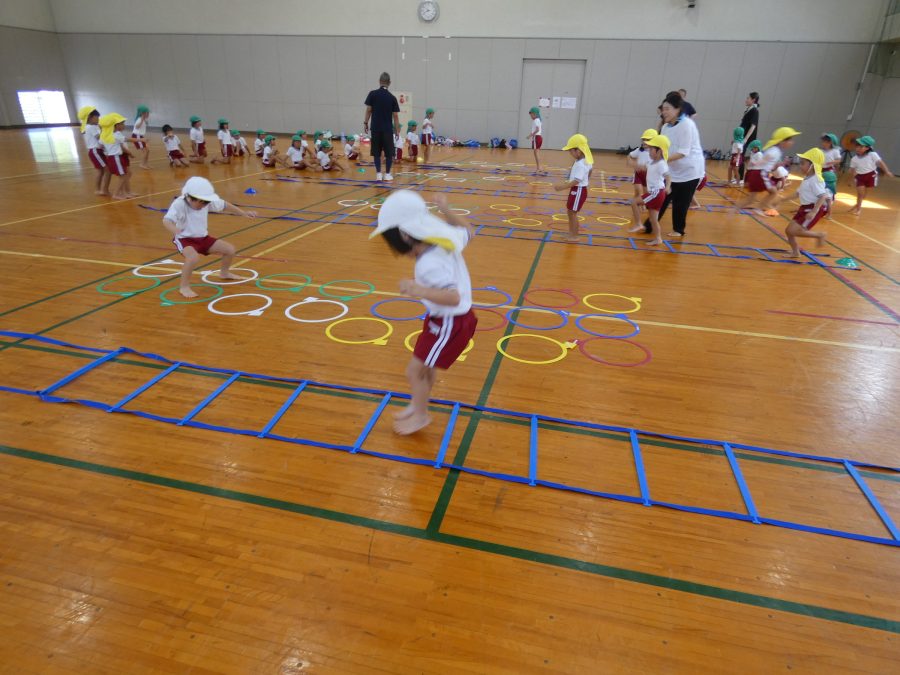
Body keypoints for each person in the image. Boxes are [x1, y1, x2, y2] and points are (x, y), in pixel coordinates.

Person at [369, 190, 477, 435]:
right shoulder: (445, 237)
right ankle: (418, 406)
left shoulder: (428, 264)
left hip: (451, 322)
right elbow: (469, 230)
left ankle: (420, 415)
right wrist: (446, 210)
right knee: (425, 368)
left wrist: (418, 289)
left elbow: (453, 297)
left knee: (415, 371)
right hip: (445, 319)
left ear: (405, 236)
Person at [162, 176, 257, 299]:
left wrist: (243, 213)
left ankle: (224, 273)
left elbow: (224, 205)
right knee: (193, 258)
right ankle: (184, 287)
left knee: (230, 250)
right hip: (185, 239)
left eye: (206, 203)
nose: (204, 205)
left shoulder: (204, 202)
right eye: (201, 202)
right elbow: (166, 220)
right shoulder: (179, 204)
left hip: (203, 238)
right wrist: (174, 229)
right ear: (190, 197)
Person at [642, 92, 705, 239]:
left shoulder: (687, 124)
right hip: (673, 169)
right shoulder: (665, 127)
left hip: (690, 170)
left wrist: (661, 161)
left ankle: (678, 229)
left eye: (667, 109)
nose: (664, 112)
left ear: (677, 109)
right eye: (663, 109)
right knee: (662, 197)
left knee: (681, 203)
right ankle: (649, 225)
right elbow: (663, 148)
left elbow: (683, 152)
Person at [784, 148, 830, 258]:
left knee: (796, 231)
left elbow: (823, 196)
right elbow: (797, 193)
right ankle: (796, 252)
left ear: (812, 165)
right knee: (789, 231)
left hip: (812, 208)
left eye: (803, 163)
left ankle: (819, 235)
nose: (800, 166)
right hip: (804, 208)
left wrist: (814, 211)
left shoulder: (815, 180)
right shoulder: (807, 178)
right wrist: (781, 200)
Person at [629, 135, 670, 246]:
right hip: (656, 193)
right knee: (653, 220)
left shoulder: (661, 164)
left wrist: (668, 186)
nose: (649, 151)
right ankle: (658, 238)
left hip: (656, 193)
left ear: (659, 151)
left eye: (651, 149)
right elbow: (644, 167)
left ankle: (638, 224)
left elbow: (668, 176)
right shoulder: (652, 162)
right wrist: (636, 165)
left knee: (634, 202)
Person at [554, 133, 592, 241]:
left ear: (578, 151)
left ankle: (574, 236)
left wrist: (562, 187)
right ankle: (572, 233)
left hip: (578, 190)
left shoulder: (581, 164)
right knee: (570, 212)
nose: (570, 153)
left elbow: (576, 181)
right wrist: (586, 179)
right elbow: (590, 170)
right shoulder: (584, 160)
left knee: (573, 213)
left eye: (571, 151)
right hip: (577, 190)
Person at [363, 72, 400, 181]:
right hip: (387, 129)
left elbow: (369, 110)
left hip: (375, 128)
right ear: (389, 83)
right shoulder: (392, 98)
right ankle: (387, 174)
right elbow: (395, 115)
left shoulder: (372, 94)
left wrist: (365, 122)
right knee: (389, 153)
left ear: (379, 81)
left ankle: (378, 173)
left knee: (376, 152)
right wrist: (397, 130)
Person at [758, 126, 801, 216]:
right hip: (762, 173)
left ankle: (762, 207)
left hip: (764, 173)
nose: (792, 142)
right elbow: (767, 163)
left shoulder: (776, 151)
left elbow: (772, 166)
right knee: (773, 192)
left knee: (772, 191)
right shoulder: (775, 151)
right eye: (790, 140)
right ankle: (761, 207)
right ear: (782, 141)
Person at [848, 135, 894, 216]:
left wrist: (887, 171)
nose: (858, 148)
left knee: (863, 194)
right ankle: (858, 209)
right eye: (857, 146)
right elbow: (851, 170)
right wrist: (850, 180)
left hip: (871, 175)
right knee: (860, 193)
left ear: (867, 148)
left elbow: (880, 163)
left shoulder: (872, 154)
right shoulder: (854, 159)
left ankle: (857, 204)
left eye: (861, 147)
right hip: (860, 177)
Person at [99, 112, 135, 200]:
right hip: (117, 157)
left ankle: (124, 192)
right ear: (116, 125)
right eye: (122, 123)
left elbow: (101, 146)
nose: (124, 125)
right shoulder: (115, 135)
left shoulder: (108, 135)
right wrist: (142, 140)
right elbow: (127, 140)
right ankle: (117, 194)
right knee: (123, 175)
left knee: (125, 174)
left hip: (116, 157)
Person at [78, 106, 110, 196]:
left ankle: (100, 189)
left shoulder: (93, 126)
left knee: (102, 171)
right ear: (90, 117)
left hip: (98, 151)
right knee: (107, 170)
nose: (98, 119)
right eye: (97, 117)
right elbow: (99, 137)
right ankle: (102, 189)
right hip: (95, 151)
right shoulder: (90, 127)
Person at [735, 140, 768, 215]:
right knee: (748, 188)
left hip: (755, 172)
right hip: (751, 171)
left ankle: (746, 203)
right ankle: (744, 203)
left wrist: (752, 162)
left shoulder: (759, 154)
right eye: (752, 148)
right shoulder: (754, 153)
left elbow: (758, 163)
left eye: (753, 148)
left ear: (757, 148)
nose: (752, 150)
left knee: (752, 191)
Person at [627, 129, 657, 199]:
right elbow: (629, 156)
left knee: (646, 193)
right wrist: (633, 163)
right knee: (637, 191)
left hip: (649, 176)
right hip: (639, 174)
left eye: (647, 140)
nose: (644, 142)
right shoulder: (639, 150)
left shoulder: (656, 153)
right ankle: (636, 202)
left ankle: (643, 202)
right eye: (643, 139)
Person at [737, 92, 760, 182]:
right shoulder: (749, 110)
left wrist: (745, 138)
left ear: (753, 100)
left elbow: (753, 126)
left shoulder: (754, 111)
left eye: (748, 98)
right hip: (742, 137)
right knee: (740, 156)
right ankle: (739, 178)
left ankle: (741, 178)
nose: (746, 100)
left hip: (748, 139)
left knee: (742, 157)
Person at [820, 133, 842, 197]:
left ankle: (831, 196)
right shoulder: (821, 151)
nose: (824, 143)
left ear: (831, 143)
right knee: (820, 183)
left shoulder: (835, 151)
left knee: (829, 183)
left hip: (829, 169)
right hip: (820, 169)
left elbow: (839, 160)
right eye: (823, 141)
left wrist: (831, 162)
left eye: (827, 142)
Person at [131, 105, 151, 169]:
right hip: (137, 136)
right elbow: (137, 126)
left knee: (147, 150)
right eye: (147, 113)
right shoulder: (139, 119)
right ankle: (142, 164)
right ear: (143, 113)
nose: (148, 114)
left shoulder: (143, 119)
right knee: (145, 151)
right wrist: (142, 120)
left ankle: (146, 164)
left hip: (141, 136)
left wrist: (144, 120)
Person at [526, 107, 544, 174]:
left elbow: (537, 130)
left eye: (531, 114)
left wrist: (530, 135)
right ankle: (539, 167)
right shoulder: (538, 120)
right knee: (536, 153)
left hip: (537, 137)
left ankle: (539, 167)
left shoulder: (536, 120)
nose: (531, 116)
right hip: (538, 137)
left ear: (535, 114)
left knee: (536, 153)